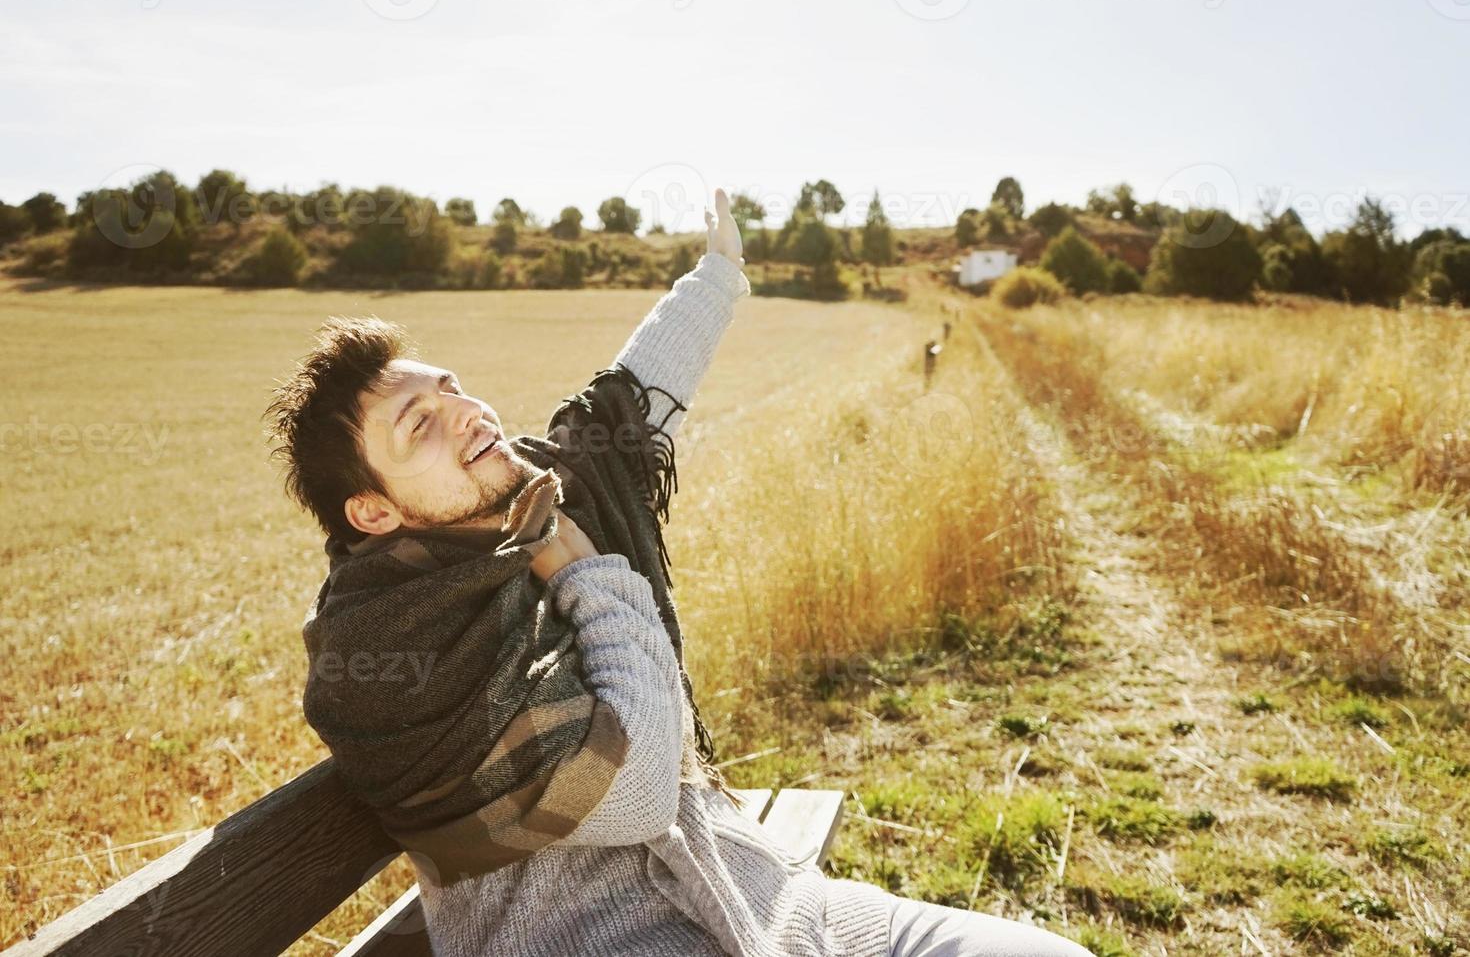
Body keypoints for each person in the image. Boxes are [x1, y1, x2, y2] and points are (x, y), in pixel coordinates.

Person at [265, 188, 1092, 957]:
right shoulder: (389, 652)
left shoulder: (537, 506)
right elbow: (638, 792)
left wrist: (719, 275)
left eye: (451, 391)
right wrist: (591, 578)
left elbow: (631, 399)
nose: (467, 415)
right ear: (373, 512)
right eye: (421, 426)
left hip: (764, 901)